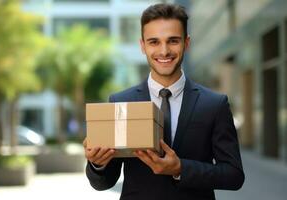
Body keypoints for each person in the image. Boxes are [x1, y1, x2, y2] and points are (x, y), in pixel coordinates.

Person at [83, 3, 244, 200]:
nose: (164, 51)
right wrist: (97, 164)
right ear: (143, 46)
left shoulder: (214, 105)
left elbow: (234, 175)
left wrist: (180, 168)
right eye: (154, 42)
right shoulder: (121, 102)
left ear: (186, 43)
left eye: (173, 41)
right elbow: (103, 183)